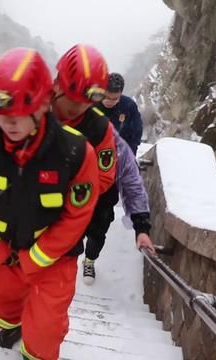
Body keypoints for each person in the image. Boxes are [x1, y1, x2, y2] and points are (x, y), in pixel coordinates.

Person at [0, 48, 100, 360]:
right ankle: (9, 327)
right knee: (5, 305)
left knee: (46, 330)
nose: (9, 123)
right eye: (1, 114)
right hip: (2, 252)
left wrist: (38, 256)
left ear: (44, 103)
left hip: (53, 260)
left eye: (19, 114)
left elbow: (78, 213)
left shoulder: (75, 152)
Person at [51, 44, 154, 285]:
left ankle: (89, 260)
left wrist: (142, 225)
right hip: (49, 214)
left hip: (103, 188)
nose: (77, 106)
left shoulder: (104, 125)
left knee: (98, 229)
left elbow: (130, 174)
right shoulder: (33, 111)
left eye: (91, 98)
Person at [99, 72, 143, 155]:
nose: (110, 102)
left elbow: (136, 134)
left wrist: (129, 155)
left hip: (119, 152)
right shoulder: (92, 104)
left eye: (114, 99)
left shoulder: (129, 107)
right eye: (107, 97)